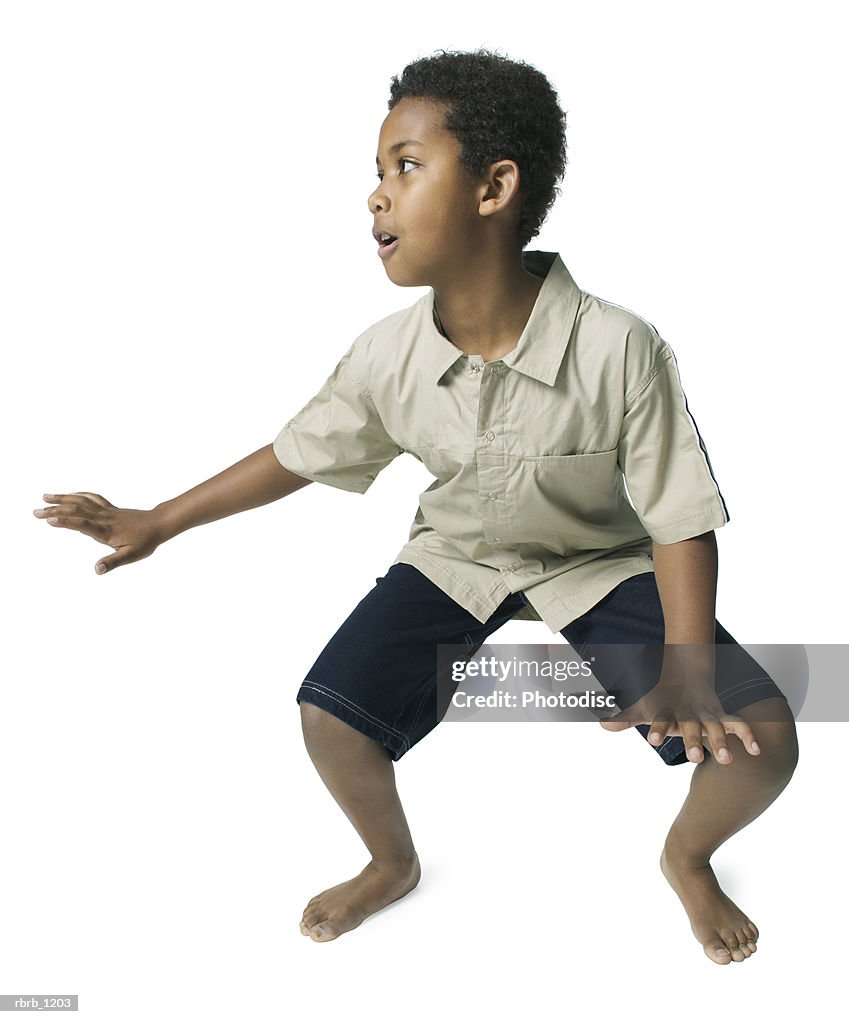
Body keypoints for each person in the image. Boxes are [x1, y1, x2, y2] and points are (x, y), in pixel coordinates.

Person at [33, 48, 799, 965]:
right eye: (377, 173)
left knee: (763, 738)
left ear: (494, 188)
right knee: (329, 717)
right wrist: (159, 518)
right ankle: (390, 862)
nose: (375, 196)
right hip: (455, 558)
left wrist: (685, 666)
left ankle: (687, 857)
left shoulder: (618, 345)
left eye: (405, 165)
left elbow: (678, 513)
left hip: (594, 561)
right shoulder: (384, 354)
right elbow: (296, 453)